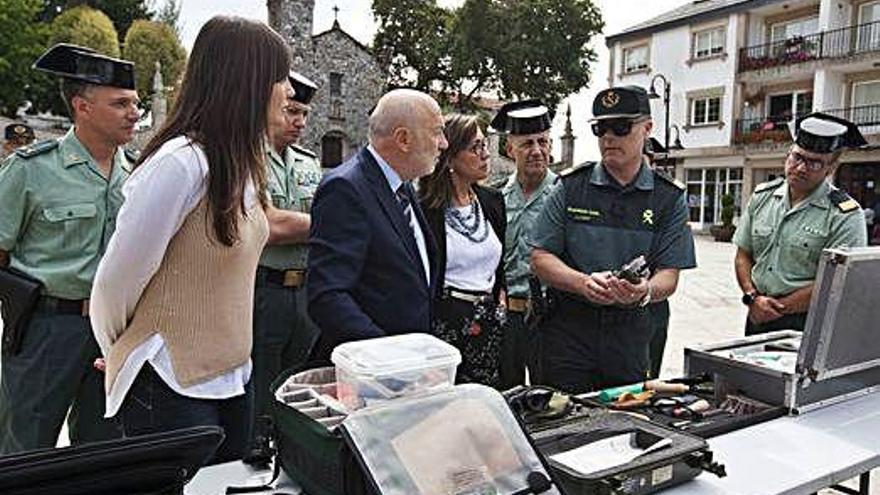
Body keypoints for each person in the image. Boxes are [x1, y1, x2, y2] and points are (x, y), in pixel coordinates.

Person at [89, 16, 291, 463]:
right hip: (170, 382)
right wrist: (121, 350)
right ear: (248, 83)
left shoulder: (244, 167)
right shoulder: (181, 164)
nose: (288, 91)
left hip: (232, 377)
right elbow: (116, 281)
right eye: (279, 79)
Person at [0, 43, 138, 454]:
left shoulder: (138, 174)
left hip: (112, 331)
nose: (134, 113)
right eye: (120, 104)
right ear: (82, 106)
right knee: (25, 445)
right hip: (47, 327)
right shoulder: (31, 169)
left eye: (135, 103)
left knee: (103, 449)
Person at [530, 86, 696, 393]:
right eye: (600, 128)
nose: (608, 137)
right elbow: (540, 257)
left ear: (647, 128)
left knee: (626, 417)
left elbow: (669, 276)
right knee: (563, 421)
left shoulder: (668, 198)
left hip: (632, 332)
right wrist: (582, 283)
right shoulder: (570, 187)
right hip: (570, 329)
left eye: (620, 127)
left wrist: (644, 290)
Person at [307, 89, 447, 364]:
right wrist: (386, 357)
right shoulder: (345, 189)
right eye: (437, 132)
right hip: (371, 374)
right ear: (403, 139)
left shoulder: (402, 186)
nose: (443, 143)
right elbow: (327, 295)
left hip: (409, 367)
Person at [734, 112, 868, 335]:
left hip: (808, 322)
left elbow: (837, 281)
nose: (801, 168)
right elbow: (743, 254)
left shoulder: (845, 215)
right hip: (757, 312)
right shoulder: (762, 196)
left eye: (814, 163)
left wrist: (778, 308)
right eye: (797, 157)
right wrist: (752, 297)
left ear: (831, 167)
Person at [246, 71, 321, 463]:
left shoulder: (309, 163)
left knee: (296, 386)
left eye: (305, 114)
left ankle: (292, 459)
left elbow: (288, 222)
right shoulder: (248, 156)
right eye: (292, 111)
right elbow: (268, 226)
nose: (300, 122)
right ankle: (254, 459)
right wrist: (330, 224)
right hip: (263, 289)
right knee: (259, 387)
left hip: (304, 291)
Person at [418, 114, 507, 388]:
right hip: (446, 320)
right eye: (475, 148)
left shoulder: (492, 201)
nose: (486, 154)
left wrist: (500, 299)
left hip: (489, 322)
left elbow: (499, 263)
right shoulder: (426, 208)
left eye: (485, 145)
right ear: (450, 158)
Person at [498, 100, 557, 388]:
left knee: (548, 396)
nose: (537, 150)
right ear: (510, 149)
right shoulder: (495, 198)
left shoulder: (563, 195)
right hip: (506, 316)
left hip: (550, 318)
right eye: (527, 144)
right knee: (506, 394)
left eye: (542, 142)